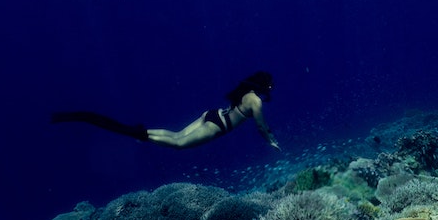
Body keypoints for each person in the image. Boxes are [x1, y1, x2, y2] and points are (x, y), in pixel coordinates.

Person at [51, 71, 280, 150]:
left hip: (212, 115)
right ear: (263, 85)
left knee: (177, 134)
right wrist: (270, 141)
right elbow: (260, 125)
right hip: (218, 126)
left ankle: (143, 132)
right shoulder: (256, 102)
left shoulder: (244, 92)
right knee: (179, 145)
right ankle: (140, 134)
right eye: (269, 86)